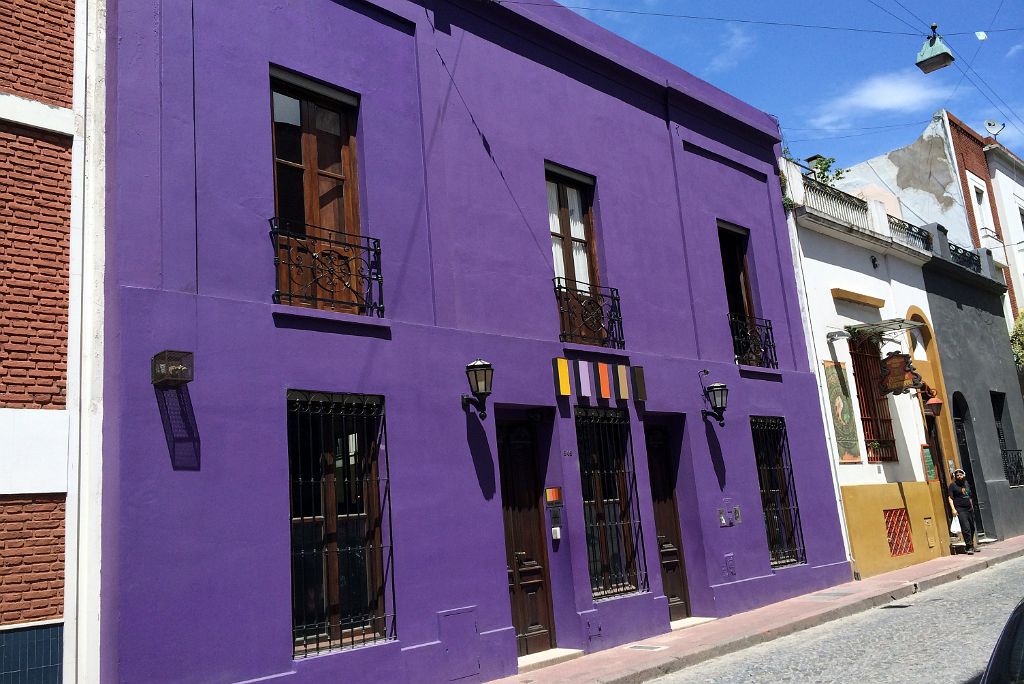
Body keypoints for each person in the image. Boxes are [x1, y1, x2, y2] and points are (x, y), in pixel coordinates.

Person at [948, 468, 977, 554]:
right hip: (960, 509)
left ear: (963, 475)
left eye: (960, 475)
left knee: (972, 527)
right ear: (955, 476)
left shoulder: (966, 484)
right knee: (966, 528)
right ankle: (968, 547)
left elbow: (970, 496)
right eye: (957, 475)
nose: (959, 476)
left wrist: (971, 506)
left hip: (969, 509)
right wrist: (953, 509)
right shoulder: (953, 485)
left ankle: (971, 545)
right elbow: (950, 498)